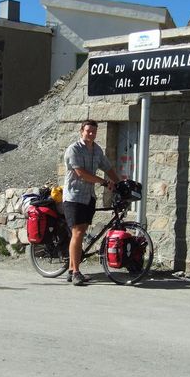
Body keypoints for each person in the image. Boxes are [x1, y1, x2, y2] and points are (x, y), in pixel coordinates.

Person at [63, 119, 120, 286]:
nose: (91, 134)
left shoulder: (96, 150)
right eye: (88, 131)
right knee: (78, 233)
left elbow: (107, 167)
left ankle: (71, 270)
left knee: (80, 232)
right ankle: (76, 273)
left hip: (88, 197)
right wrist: (103, 182)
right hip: (74, 196)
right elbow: (80, 173)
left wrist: (119, 183)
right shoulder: (74, 149)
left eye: (94, 132)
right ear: (82, 131)